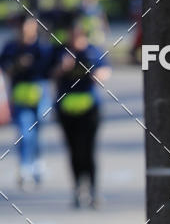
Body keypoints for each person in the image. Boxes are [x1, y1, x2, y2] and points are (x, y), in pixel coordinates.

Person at [52, 22, 110, 207]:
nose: (75, 39)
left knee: (89, 150)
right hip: (67, 109)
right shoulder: (61, 52)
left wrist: (95, 73)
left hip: (89, 109)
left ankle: (93, 190)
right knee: (74, 151)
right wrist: (63, 68)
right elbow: (49, 73)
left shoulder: (93, 51)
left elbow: (105, 72)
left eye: (79, 35)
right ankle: (77, 189)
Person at [0, 14, 52, 188]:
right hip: (20, 96)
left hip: (39, 94)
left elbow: (49, 69)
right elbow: (5, 68)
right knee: (25, 131)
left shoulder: (42, 47)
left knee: (37, 130)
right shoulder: (11, 47)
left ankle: (37, 161)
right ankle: (24, 168)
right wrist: (17, 65)